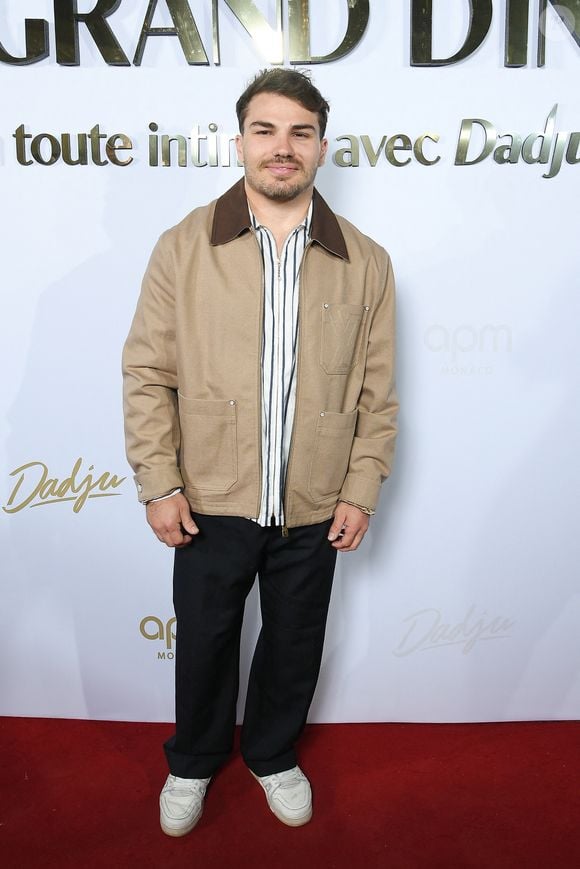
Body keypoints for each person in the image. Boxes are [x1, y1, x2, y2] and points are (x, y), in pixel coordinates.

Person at [122, 68, 398, 836]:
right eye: (267, 130)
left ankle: (274, 754)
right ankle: (194, 761)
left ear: (321, 147)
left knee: (296, 639)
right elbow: (147, 370)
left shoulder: (367, 261)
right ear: (239, 140)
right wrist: (158, 481)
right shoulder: (184, 245)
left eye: (300, 133)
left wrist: (361, 485)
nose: (283, 148)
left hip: (315, 498)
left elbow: (379, 391)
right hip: (209, 495)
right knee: (206, 637)